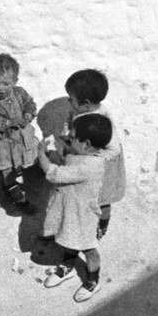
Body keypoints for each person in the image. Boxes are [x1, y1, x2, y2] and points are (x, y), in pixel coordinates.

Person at [37, 113, 113, 302]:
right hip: (69, 208)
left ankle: (93, 280)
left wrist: (41, 154)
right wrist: (64, 145)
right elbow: (69, 158)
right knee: (67, 237)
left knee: (88, 248)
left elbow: (54, 173)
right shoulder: (82, 153)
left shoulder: (91, 165)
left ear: (86, 144)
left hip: (82, 215)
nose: (68, 139)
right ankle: (67, 265)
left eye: (72, 137)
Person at [62, 69, 127, 240]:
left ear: (86, 103)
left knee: (102, 199)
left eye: (71, 99)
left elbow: (114, 149)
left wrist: (95, 159)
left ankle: (101, 225)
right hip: (83, 159)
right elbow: (70, 123)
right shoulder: (78, 112)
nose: (69, 101)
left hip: (102, 168)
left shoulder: (101, 121)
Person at [0, 53, 39, 215]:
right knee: (6, 170)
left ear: (15, 82)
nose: (0, 88)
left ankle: (20, 176)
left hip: (19, 140)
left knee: (21, 161)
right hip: (1, 144)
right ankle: (14, 194)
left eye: (6, 83)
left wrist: (28, 115)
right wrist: (9, 123)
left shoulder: (19, 93)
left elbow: (30, 104)